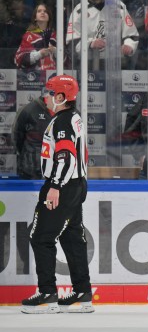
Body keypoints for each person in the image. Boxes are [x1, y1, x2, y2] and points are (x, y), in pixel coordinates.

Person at [21, 74, 92, 314]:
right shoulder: (73, 117)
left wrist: (55, 186)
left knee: (40, 236)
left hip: (62, 185)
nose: (47, 97)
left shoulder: (62, 121)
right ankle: (82, 293)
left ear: (61, 97)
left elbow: (66, 156)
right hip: (76, 184)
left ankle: (47, 294)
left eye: (51, 93)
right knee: (72, 238)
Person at [66, 0, 140, 70]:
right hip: (88, 62)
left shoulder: (118, 6)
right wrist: (90, 43)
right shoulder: (78, 10)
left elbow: (131, 34)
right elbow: (72, 40)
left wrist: (129, 45)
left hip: (115, 61)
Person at [12, 89, 53, 180]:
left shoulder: (67, 111)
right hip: (30, 169)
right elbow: (17, 137)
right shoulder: (28, 110)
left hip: (57, 169)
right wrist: (29, 155)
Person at [14, 4, 58, 71]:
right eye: (39, 11)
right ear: (35, 17)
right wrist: (39, 54)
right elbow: (19, 59)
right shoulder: (29, 36)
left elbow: (67, 60)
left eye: (45, 11)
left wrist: (55, 51)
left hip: (53, 76)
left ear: (49, 17)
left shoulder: (56, 35)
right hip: (35, 78)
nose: (42, 12)